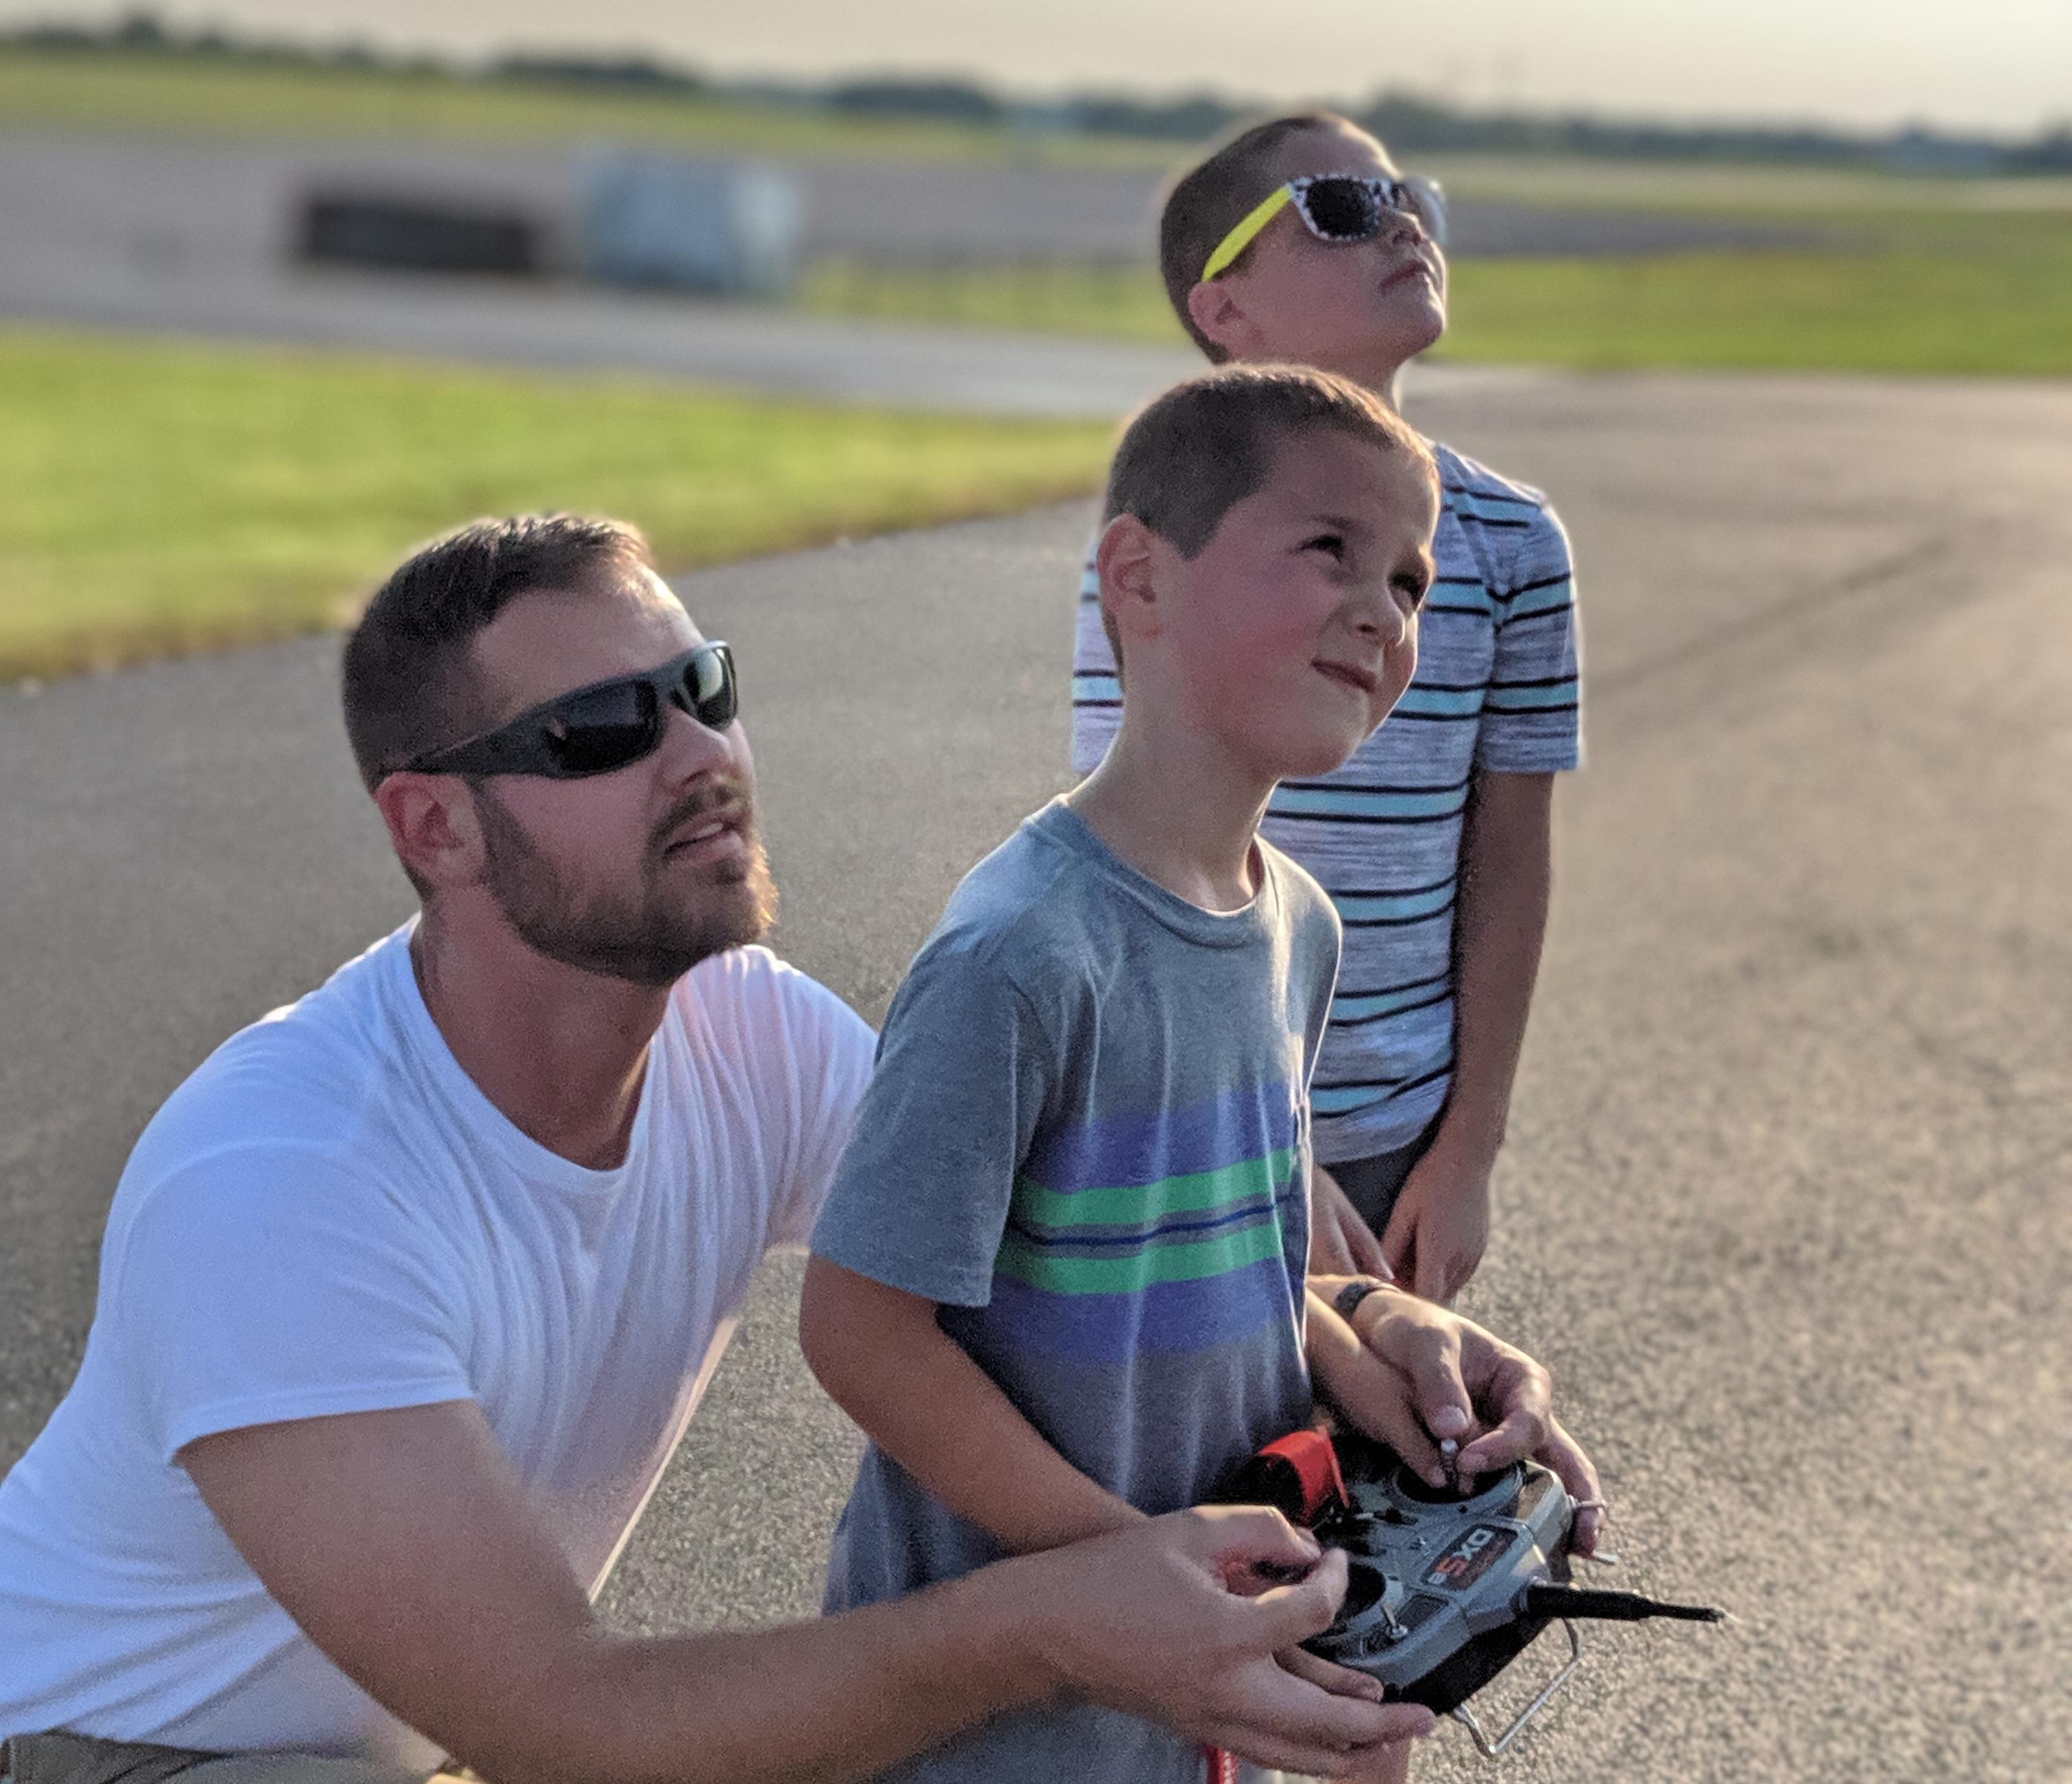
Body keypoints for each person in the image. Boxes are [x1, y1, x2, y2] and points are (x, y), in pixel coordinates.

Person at [0, 514, 1594, 1784]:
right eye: (601, 732)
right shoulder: (283, 1185)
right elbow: (567, 1724)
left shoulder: (740, 1029)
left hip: (416, 1733)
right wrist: (1056, 1627)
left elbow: (1075, 1228)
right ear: (435, 829)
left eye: (704, 689)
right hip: (110, 1751)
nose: (703, 756)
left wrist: (1374, 1332)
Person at [801, 368, 1603, 1784]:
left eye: (1412, 580)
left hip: (1183, 1690)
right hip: (1002, 1718)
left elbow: (1236, 1269)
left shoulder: (1296, 926)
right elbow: (861, 1329)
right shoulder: (1025, 954)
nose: (1386, 611)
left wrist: (1384, 1374)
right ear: (1139, 579)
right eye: (1330, 550)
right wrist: (1132, 1576)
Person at [1071, 114, 1585, 1300]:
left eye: (1413, 196)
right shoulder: (1163, 538)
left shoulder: (1511, 540)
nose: (1404, 221)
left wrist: (1470, 1149)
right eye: (1345, 207)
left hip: (1397, 1141)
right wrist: (1264, 1138)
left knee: (1385, 1465)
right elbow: (1129, 839)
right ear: (1224, 310)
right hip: (1190, 1117)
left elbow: (1509, 854)